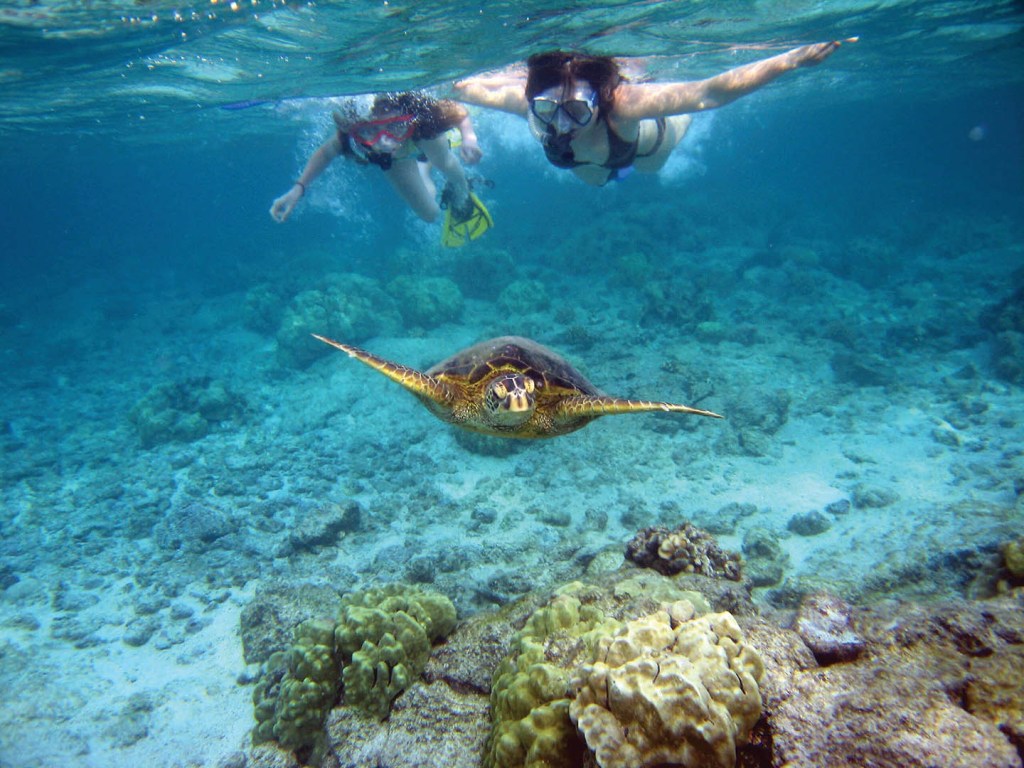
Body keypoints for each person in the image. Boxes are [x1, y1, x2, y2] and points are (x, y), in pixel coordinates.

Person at [453, 40, 852, 187]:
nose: (560, 124)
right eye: (546, 109)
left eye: (576, 111)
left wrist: (790, 61)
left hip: (646, 147)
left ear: (598, 102)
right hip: (593, 163)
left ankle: (661, 145)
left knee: (650, 168)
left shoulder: (623, 104)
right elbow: (467, 88)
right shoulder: (527, 105)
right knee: (593, 182)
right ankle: (610, 174)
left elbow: (708, 94)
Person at [270, 91, 493, 244]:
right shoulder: (350, 137)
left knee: (447, 164)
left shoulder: (424, 119)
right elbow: (327, 152)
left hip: (420, 140)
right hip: (395, 161)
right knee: (430, 214)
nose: (384, 142)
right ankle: (423, 166)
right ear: (356, 130)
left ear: (408, 119)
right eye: (370, 131)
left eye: (395, 126)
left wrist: (469, 139)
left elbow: (458, 112)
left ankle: (461, 187)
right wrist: (298, 188)